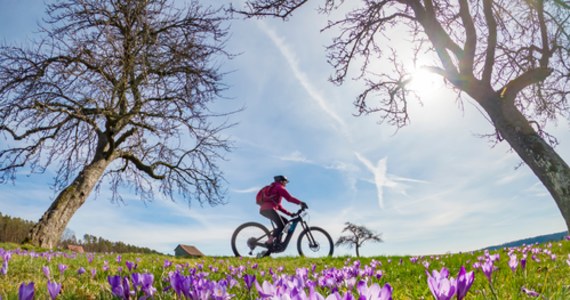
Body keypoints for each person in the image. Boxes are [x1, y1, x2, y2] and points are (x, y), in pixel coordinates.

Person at [259, 175, 308, 246]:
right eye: (285, 182)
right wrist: (300, 203)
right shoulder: (279, 187)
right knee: (281, 226)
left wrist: (290, 214)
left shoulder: (274, 188)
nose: (286, 184)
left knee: (286, 223)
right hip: (269, 209)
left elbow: (278, 207)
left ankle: (278, 242)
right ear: (281, 181)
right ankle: (269, 242)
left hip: (265, 209)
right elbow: (289, 198)